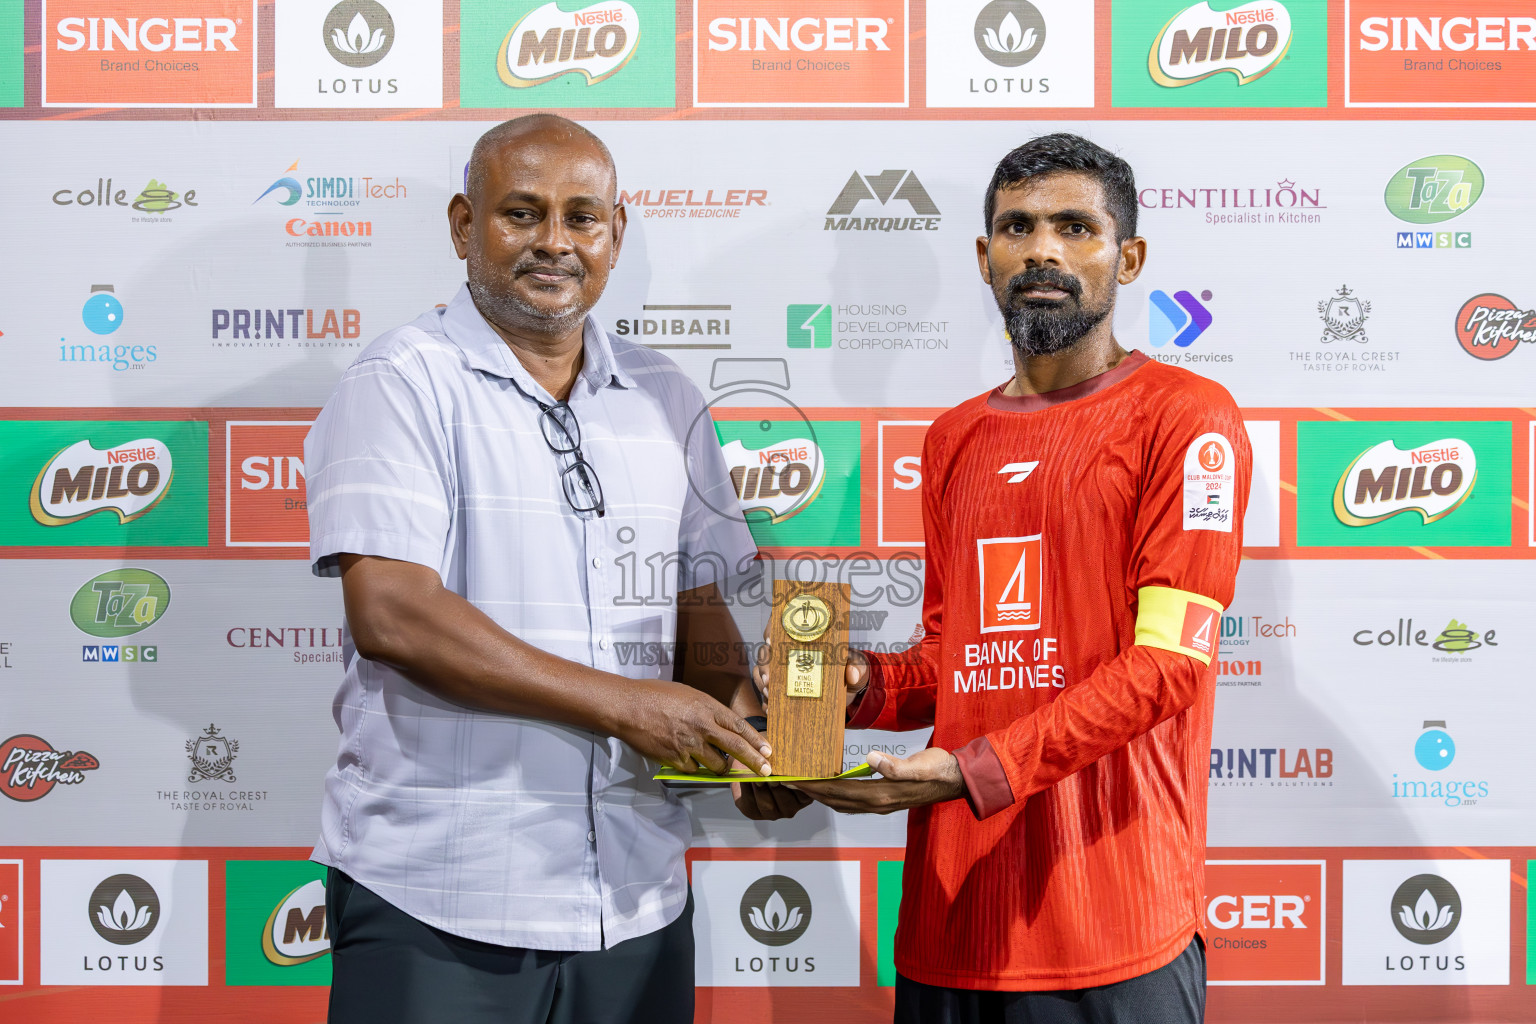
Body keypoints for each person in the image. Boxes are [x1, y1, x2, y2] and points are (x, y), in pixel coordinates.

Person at [304, 114, 799, 1024]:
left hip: (638, 895)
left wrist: (753, 738)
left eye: (582, 217)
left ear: (617, 230)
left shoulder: (668, 396)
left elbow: (697, 613)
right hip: (441, 896)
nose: (554, 243)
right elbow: (395, 616)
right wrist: (626, 705)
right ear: (464, 225)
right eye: (521, 214)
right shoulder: (402, 382)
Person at [788, 133, 1251, 1023]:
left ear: (1130, 256)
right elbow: (954, 660)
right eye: (1018, 228)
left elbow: (1169, 667)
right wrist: (861, 686)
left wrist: (972, 773)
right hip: (949, 929)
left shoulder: (1188, 419)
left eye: (1075, 226)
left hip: (1115, 932)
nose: (1042, 249)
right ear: (984, 257)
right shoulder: (953, 438)